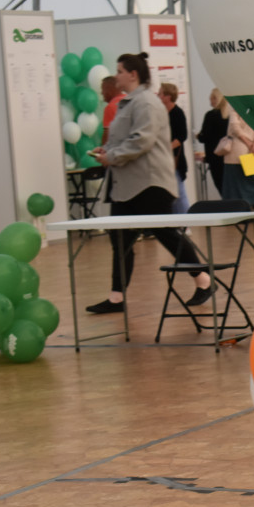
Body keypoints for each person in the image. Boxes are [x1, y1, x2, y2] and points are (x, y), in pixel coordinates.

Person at [87, 52, 214, 314]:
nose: (116, 75)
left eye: (120, 71)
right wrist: (106, 149)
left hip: (149, 184)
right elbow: (124, 139)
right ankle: (116, 298)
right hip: (128, 186)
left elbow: (141, 141)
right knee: (121, 239)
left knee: (166, 232)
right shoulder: (128, 103)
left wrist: (112, 156)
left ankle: (204, 280)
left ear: (133, 75)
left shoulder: (145, 103)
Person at [221, 108, 254, 210]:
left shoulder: (235, 107)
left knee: (237, 183)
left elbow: (234, 127)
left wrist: (248, 143)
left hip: (237, 152)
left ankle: (242, 208)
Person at [158, 82, 191, 214]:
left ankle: (186, 222)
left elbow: (182, 136)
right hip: (162, 159)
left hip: (174, 160)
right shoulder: (161, 114)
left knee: (178, 191)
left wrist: (167, 148)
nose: (157, 95)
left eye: (160, 93)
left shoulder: (177, 113)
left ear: (167, 96)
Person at [197, 88, 230, 195]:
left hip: (215, 157)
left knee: (220, 186)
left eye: (211, 99)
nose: (210, 102)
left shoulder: (210, 115)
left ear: (216, 99)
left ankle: (227, 209)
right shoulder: (230, 116)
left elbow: (204, 137)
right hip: (229, 156)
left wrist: (198, 136)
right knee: (230, 187)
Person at [99, 76, 125, 145]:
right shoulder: (129, 100)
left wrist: (101, 152)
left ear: (109, 90)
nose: (102, 93)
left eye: (103, 90)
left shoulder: (110, 108)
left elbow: (107, 136)